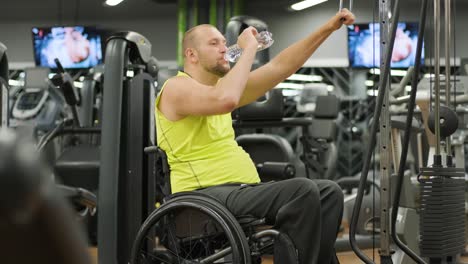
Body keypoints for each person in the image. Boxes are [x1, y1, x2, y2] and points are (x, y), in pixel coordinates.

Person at [155, 9, 355, 264]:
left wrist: (328, 28)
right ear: (191, 54)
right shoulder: (175, 87)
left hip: (240, 191)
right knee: (302, 190)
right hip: (202, 194)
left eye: (224, 43)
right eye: (213, 43)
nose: (223, 48)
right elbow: (227, 100)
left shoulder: (219, 88)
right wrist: (249, 48)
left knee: (329, 192)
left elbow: (280, 67)